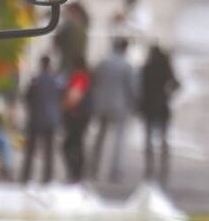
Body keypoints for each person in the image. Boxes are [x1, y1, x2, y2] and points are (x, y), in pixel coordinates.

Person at [89, 38, 138, 182]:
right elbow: (132, 88)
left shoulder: (103, 62)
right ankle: (116, 172)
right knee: (119, 140)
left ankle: (93, 168)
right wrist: (134, 104)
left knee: (99, 137)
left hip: (102, 103)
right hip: (120, 105)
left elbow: (94, 80)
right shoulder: (127, 66)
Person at [140, 44, 180, 186]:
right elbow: (177, 84)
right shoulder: (165, 69)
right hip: (162, 106)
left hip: (149, 106)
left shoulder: (146, 68)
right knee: (163, 138)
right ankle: (163, 167)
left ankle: (150, 168)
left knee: (149, 139)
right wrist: (167, 94)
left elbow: (140, 88)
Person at [22, 55, 63, 183]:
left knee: (31, 149)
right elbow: (61, 97)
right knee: (49, 150)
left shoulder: (35, 80)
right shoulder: (56, 81)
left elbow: (27, 97)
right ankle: (47, 177)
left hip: (35, 118)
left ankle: (26, 176)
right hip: (50, 119)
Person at [61, 55, 91, 183]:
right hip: (82, 115)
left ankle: (75, 172)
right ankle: (77, 172)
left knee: (70, 145)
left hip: (76, 116)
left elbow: (74, 96)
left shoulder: (79, 76)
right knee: (76, 143)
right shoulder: (86, 76)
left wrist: (63, 106)